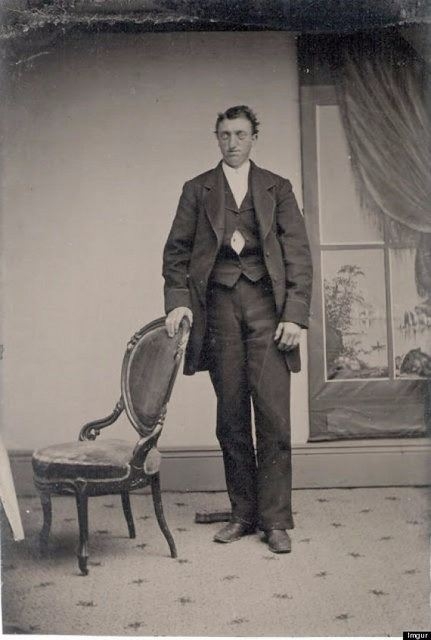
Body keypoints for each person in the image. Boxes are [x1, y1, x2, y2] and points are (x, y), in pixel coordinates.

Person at [162, 105, 312, 553]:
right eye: (225, 135)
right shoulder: (197, 189)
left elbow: (298, 255)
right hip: (219, 311)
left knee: (274, 417)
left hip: (269, 310)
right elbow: (176, 254)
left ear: (253, 138)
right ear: (217, 138)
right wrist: (178, 303)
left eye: (241, 134)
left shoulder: (277, 188)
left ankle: (276, 520)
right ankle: (243, 513)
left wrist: (294, 315)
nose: (232, 142)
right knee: (230, 418)